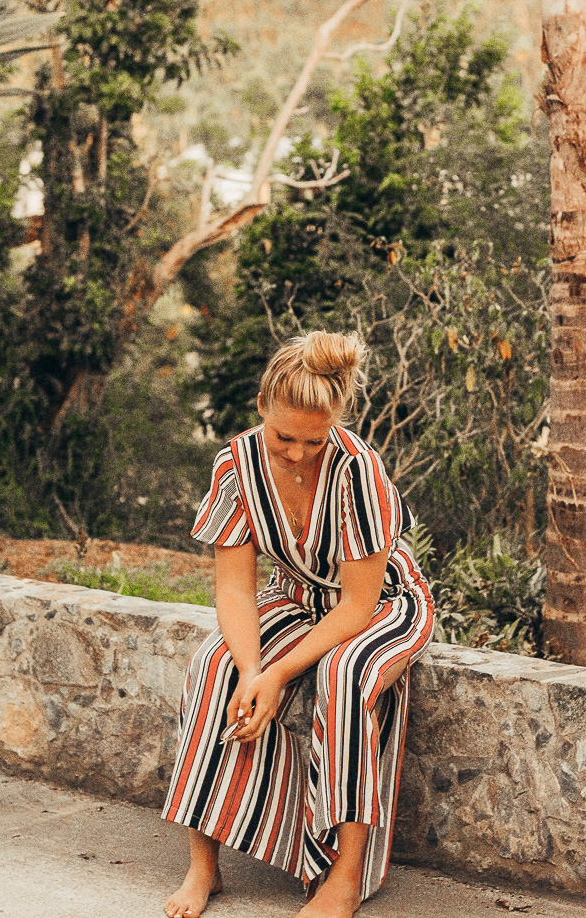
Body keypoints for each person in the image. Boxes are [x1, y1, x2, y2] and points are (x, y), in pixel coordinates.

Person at [162, 330, 435, 918]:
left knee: (346, 674)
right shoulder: (235, 465)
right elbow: (235, 587)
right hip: (295, 596)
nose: (296, 453)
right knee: (214, 666)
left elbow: (355, 611)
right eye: (285, 437)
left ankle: (344, 875)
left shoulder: (358, 468)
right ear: (262, 405)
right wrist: (253, 670)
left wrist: (279, 674)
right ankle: (203, 866)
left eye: (314, 441)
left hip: (384, 602)